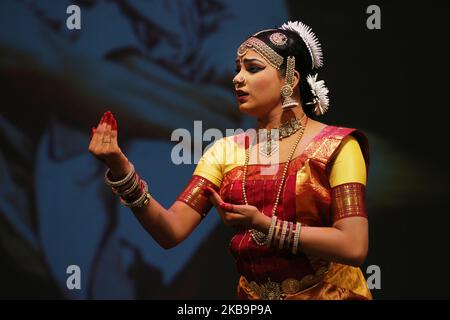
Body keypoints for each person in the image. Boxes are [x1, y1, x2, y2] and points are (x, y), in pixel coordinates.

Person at [89, 20, 372, 300]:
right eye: (238, 69)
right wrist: (122, 170)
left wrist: (265, 226)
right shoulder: (225, 151)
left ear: (290, 79)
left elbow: (353, 246)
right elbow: (171, 231)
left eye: (253, 68)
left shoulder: (337, 146)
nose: (237, 78)